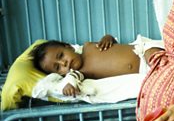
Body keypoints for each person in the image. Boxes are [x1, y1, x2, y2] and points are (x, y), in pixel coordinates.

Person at [30, 34, 162, 96]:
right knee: (161, 68)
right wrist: (69, 84)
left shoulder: (88, 46)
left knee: (154, 52)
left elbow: (113, 44)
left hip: (142, 50)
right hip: (144, 69)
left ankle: (173, 62)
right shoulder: (81, 71)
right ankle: (171, 69)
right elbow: (73, 77)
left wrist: (108, 38)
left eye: (61, 56)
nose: (64, 63)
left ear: (69, 47)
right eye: (58, 67)